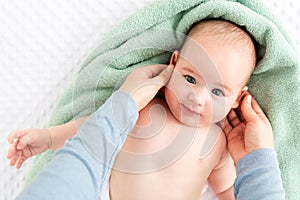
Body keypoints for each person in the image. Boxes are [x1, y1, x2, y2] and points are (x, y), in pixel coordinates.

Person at [8, 19, 268, 199]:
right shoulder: (144, 106)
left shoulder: (219, 145)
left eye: (217, 92)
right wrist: (49, 137)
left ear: (237, 98)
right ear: (174, 63)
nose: (198, 98)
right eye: (190, 79)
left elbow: (226, 191)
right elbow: (95, 130)